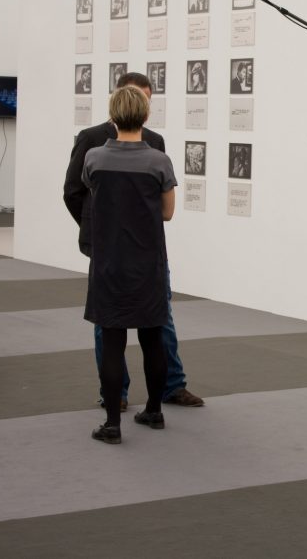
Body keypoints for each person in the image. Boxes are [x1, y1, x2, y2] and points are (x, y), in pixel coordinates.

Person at [64, 72, 204, 410]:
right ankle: (116, 394)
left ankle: (171, 386)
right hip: (108, 246)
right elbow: (73, 191)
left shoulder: (155, 143)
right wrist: (98, 229)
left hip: (145, 248)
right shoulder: (91, 140)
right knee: (109, 324)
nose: (141, 104)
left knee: (159, 318)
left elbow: (157, 204)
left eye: (146, 99)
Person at [84, 85, 174, 444]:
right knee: (153, 338)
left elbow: (91, 194)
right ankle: (154, 410)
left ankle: (111, 424)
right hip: (148, 262)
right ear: (146, 115)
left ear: (113, 115)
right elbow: (167, 213)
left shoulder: (94, 157)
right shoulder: (159, 161)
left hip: (109, 262)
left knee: (112, 340)